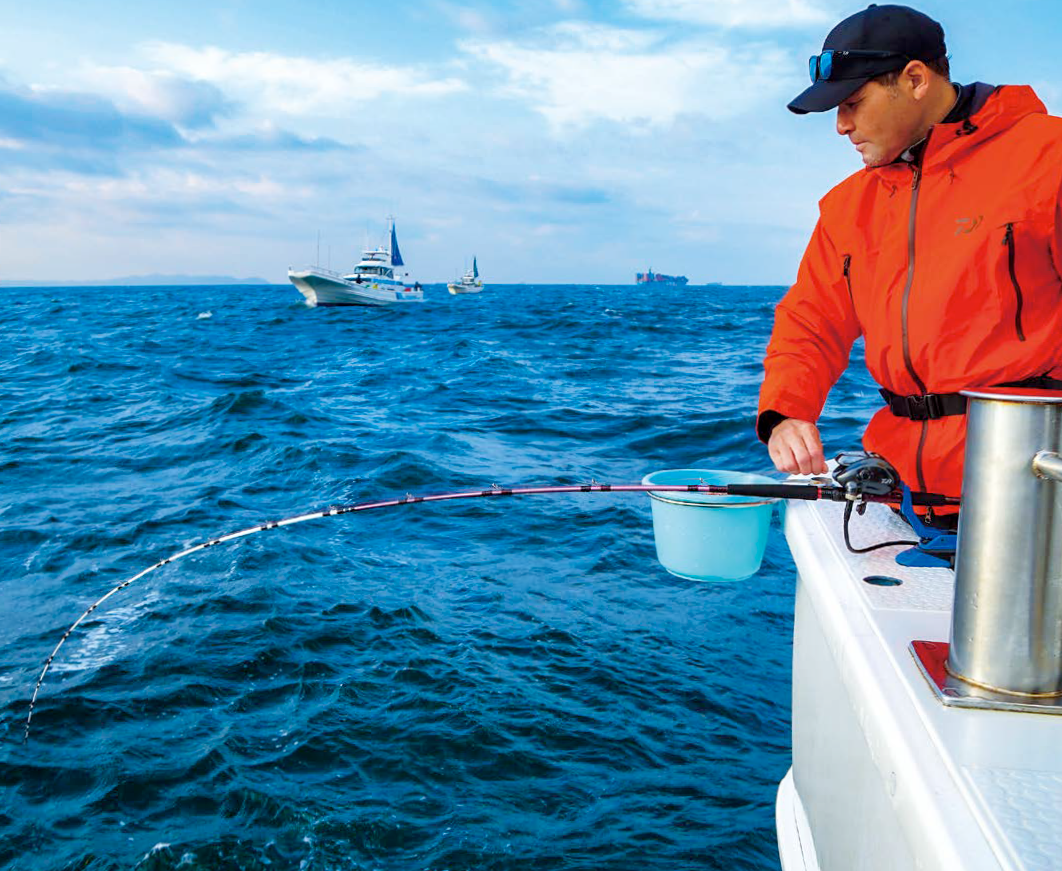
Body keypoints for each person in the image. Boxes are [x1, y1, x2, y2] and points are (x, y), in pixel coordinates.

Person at [758, 3, 1062, 516]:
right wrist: (786, 414)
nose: (841, 125)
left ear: (915, 79)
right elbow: (811, 320)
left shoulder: (1047, 158)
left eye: (853, 102)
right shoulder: (847, 206)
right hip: (898, 491)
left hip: (1031, 489)